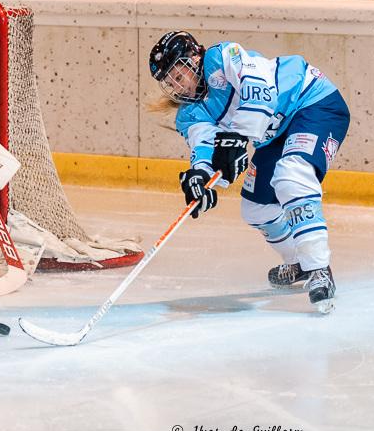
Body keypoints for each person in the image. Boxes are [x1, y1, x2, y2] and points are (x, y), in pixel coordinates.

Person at [148, 31, 350, 313]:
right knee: (256, 209)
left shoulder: (223, 56)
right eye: (170, 84)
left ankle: (318, 269)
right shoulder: (190, 113)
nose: (177, 88)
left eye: (179, 77)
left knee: (292, 175)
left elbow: (260, 90)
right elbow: (205, 146)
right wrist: (201, 176)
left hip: (313, 105)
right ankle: (300, 263)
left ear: (195, 59)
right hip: (274, 134)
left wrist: (237, 137)